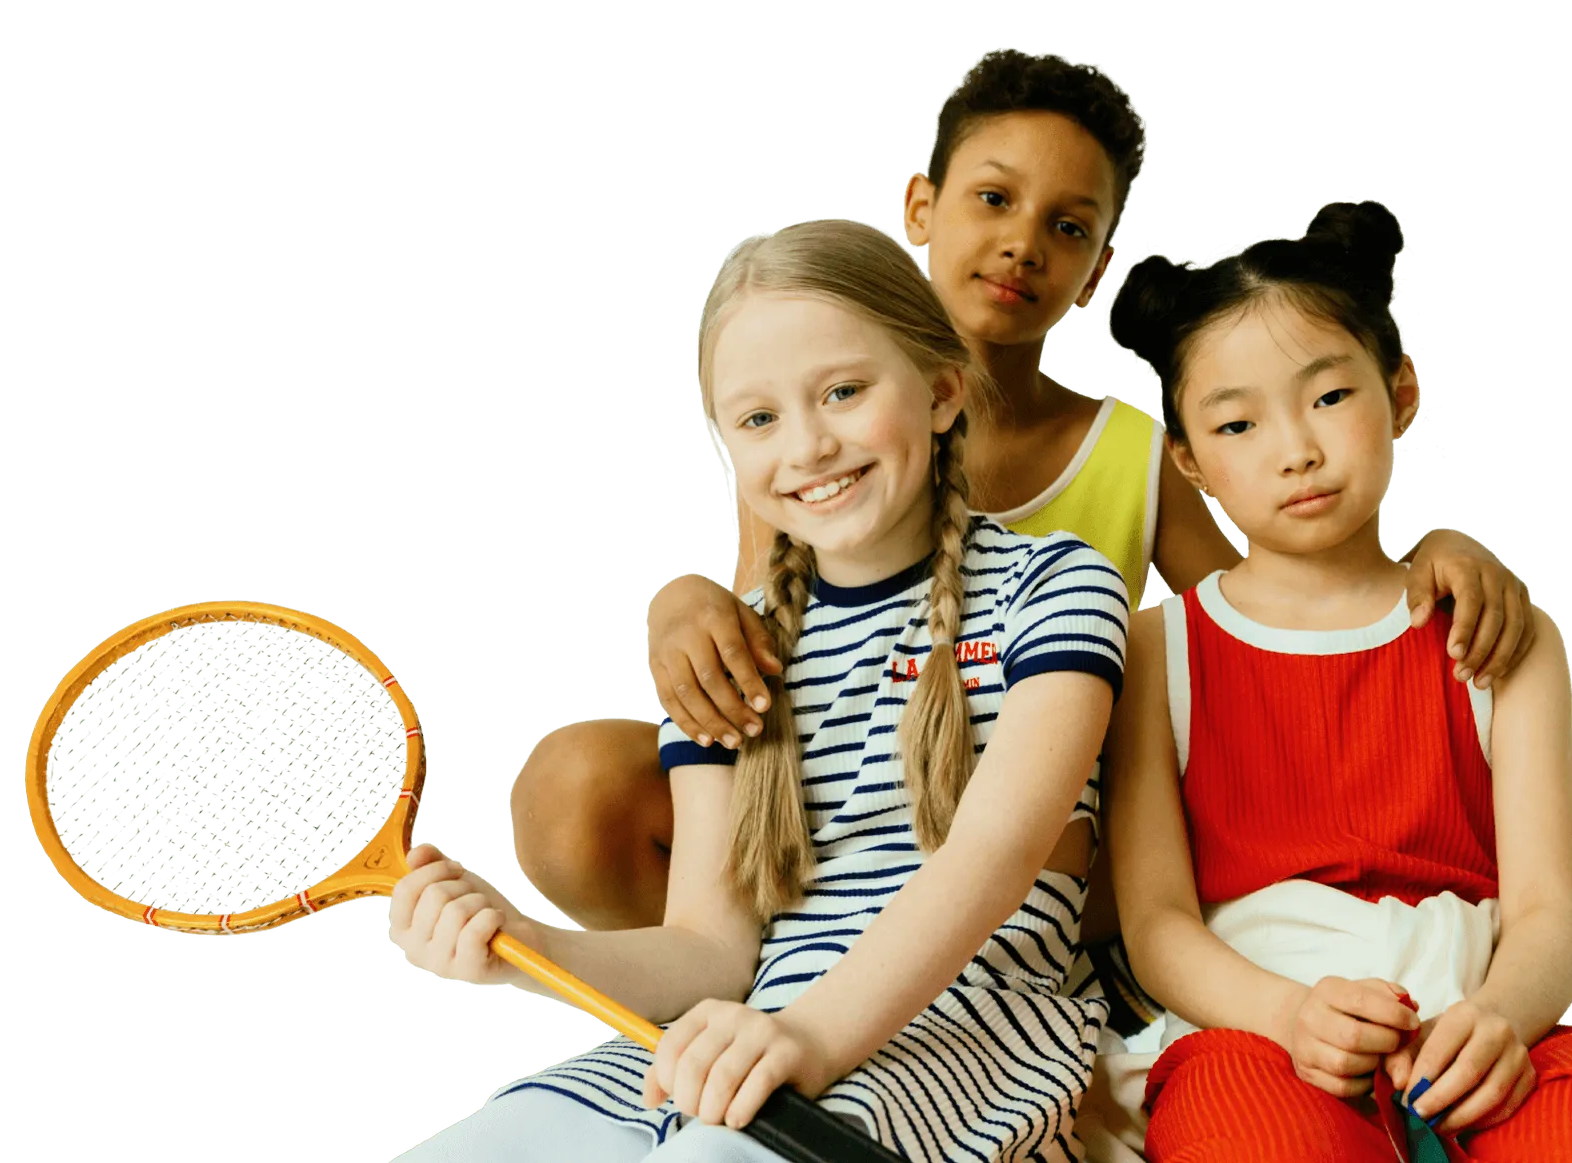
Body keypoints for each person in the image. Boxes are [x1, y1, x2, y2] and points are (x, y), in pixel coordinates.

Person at [511, 52, 1538, 1032]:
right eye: (993, 200)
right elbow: (776, 651)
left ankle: (1048, 1013)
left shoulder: (1129, 452)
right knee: (577, 787)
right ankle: (755, 991)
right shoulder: (815, 431)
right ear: (921, 206)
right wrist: (685, 595)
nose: (1021, 244)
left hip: (1056, 845)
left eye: (1067, 226)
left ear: (1095, 268)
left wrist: (1435, 548)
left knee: (1039, 819)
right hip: (855, 805)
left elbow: (1271, 633)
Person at [389, 218, 1132, 1162]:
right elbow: (708, 948)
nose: (810, 445)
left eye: (845, 391)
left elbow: (994, 853)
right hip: (746, 1031)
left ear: (943, 391)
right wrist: (520, 948)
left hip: (966, 1040)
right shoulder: (738, 648)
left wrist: (814, 1036)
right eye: (758, 419)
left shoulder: (1056, 587)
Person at [1101, 199, 1572, 1160]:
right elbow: (1159, 923)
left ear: (1402, 391)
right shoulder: (1157, 652)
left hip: (1485, 1019)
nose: (1295, 447)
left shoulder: (1502, 635)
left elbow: (1548, 910)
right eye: (1238, 423)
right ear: (1190, 460)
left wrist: (1502, 1017)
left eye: (1329, 397)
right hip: (1260, 1031)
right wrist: (1288, 1014)